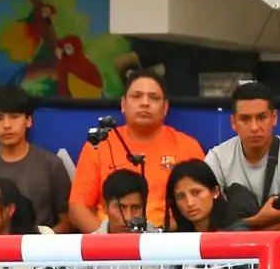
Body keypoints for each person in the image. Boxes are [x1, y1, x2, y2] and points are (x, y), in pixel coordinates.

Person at [67, 71, 204, 232]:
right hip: (109, 242)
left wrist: (161, 237)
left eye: (154, 98)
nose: (145, 103)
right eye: (136, 96)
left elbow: (203, 203)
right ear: (123, 104)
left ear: (165, 107)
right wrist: (106, 240)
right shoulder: (99, 145)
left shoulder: (187, 146)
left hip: (169, 240)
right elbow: (77, 208)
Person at [204, 82, 280, 232]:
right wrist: (259, 220)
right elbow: (208, 220)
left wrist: (242, 229)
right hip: (230, 245)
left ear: (274, 118)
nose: (254, 127)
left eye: (261, 117)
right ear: (233, 123)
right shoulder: (216, 158)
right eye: (245, 119)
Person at [0, 85, 71, 230]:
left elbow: (67, 221)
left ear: (28, 120)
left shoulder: (51, 165)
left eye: (14, 117)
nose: (7, 125)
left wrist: (43, 240)